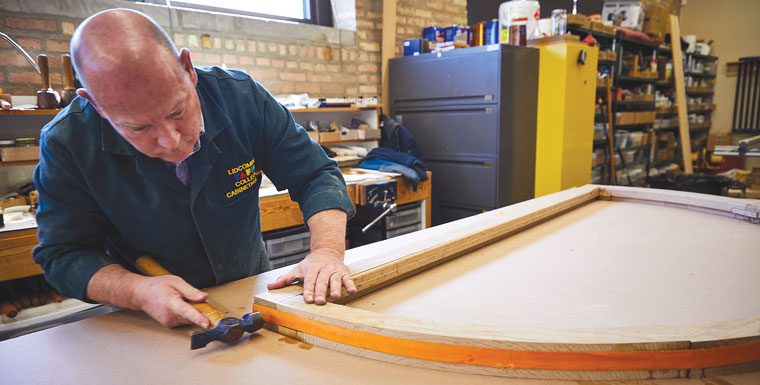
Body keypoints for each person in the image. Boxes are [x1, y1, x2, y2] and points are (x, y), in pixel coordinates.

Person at [33, 8, 356, 329]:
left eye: (177, 111)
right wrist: (138, 292)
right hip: (149, 316)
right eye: (139, 128)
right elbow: (64, 255)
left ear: (187, 68)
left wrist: (327, 252)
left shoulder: (243, 99)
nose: (170, 140)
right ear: (96, 105)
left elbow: (315, 175)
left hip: (250, 289)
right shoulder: (67, 143)